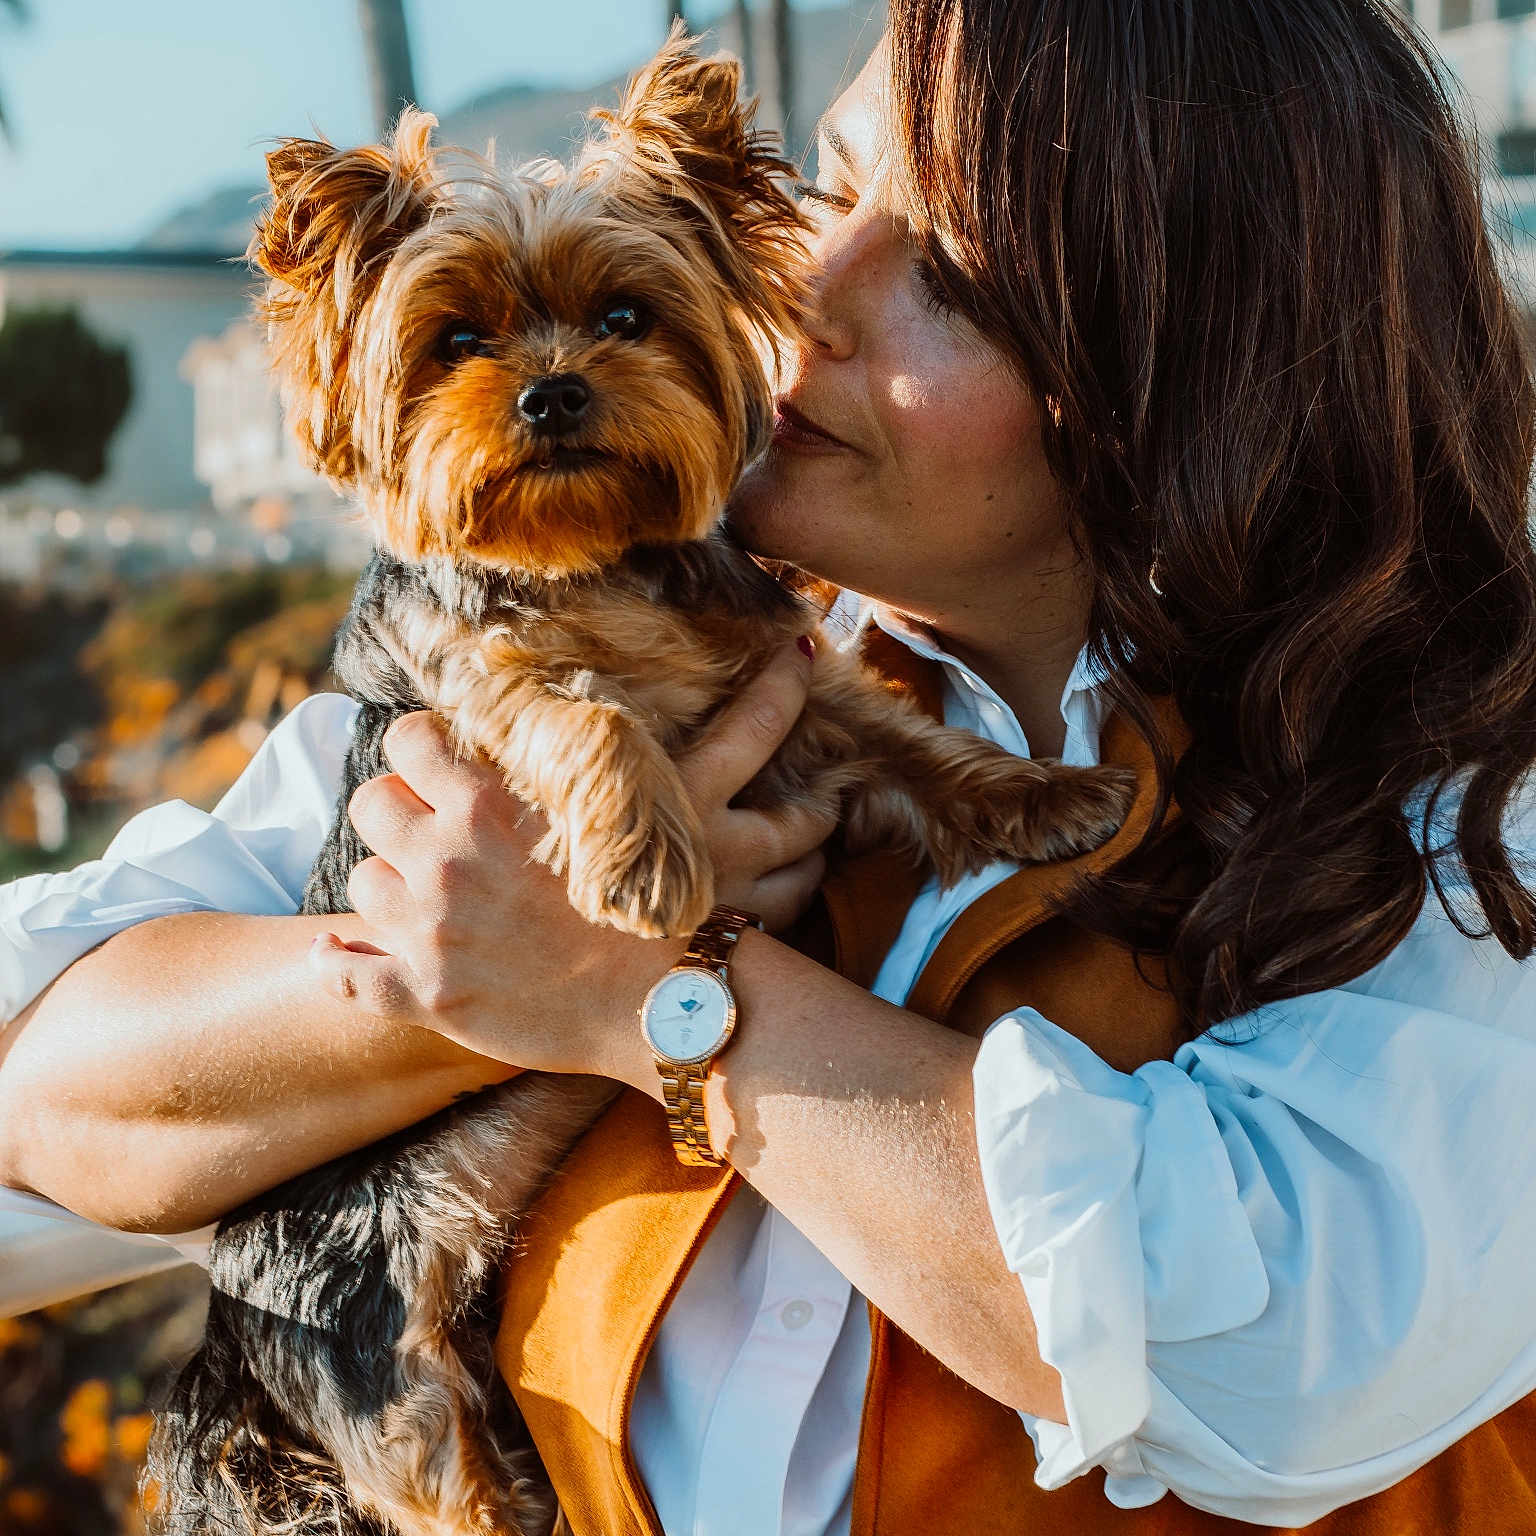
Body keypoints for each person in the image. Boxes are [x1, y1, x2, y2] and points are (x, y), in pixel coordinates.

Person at [4, 0, 1536, 1530]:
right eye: (827, 184)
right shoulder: (573, 639)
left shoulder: (1466, 799)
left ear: (1191, 359)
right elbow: (38, 1061)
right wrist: (452, 979)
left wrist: (646, 995)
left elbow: (1273, 1359)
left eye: (944, 272)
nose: (805, 288)